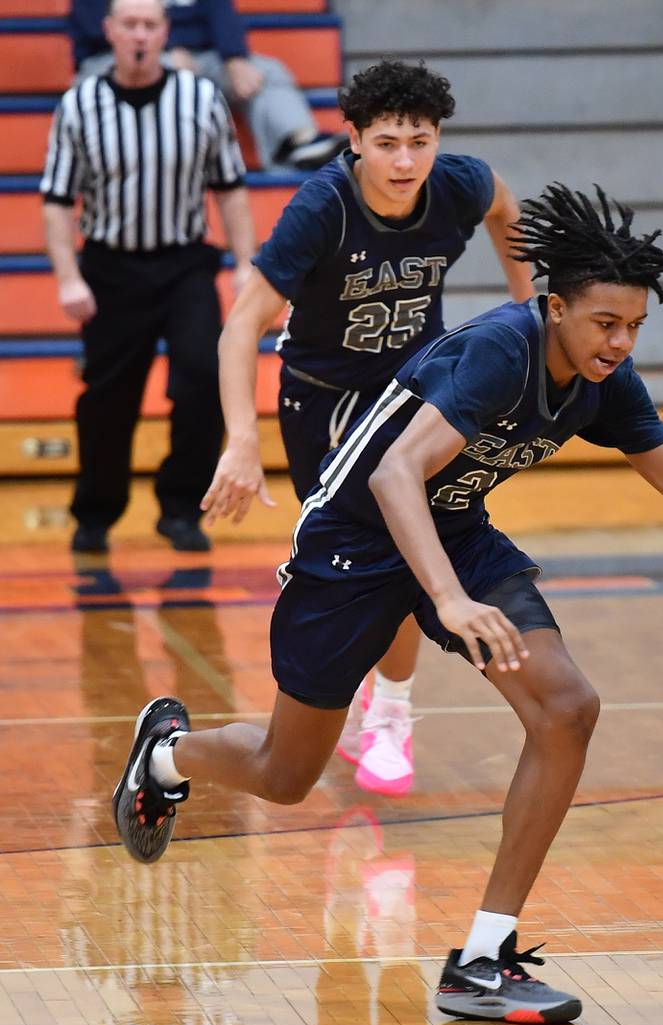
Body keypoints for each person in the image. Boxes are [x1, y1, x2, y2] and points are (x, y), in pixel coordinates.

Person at [111, 183, 663, 1024]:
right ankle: (168, 754)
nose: (620, 342)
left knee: (568, 707)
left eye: (635, 326)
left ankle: (480, 960)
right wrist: (450, 602)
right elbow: (395, 474)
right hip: (353, 543)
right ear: (553, 305)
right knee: (285, 777)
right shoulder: (503, 349)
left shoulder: (610, 384)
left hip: (455, 529)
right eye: (605, 323)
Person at [200, 59, 534, 798]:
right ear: (353, 139)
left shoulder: (462, 183)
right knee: (365, 556)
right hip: (324, 401)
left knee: (400, 542)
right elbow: (241, 325)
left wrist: (526, 309)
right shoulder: (322, 209)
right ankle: (364, 700)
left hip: (417, 390)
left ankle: (389, 710)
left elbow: (507, 211)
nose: (405, 160)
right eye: (387, 142)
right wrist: (241, 438)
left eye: (420, 140)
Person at [41, 0, 254, 555]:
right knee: (109, 398)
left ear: (165, 32)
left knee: (204, 376)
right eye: (128, 24)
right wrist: (69, 278)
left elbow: (230, 189)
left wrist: (246, 266)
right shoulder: (80, 103)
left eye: (150, 24)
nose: (139, 34)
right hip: (110, 268)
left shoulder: (201, 98)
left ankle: (182, 508)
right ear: (109, 32)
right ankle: (95, 512)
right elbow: (58, 200)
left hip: (185, 263)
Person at [69, 0, 348, 171]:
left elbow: (220, 12)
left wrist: (233, 56)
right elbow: (96, 28)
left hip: (200, 58)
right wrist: (164, 50)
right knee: (90, 84)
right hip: (116, 57)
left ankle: (296, 142)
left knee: (265, 71)